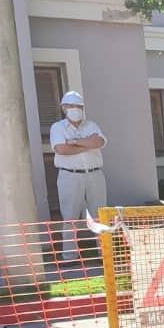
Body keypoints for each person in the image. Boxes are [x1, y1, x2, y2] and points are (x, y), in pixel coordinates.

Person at [50, 90, 108, 264]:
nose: (75, 109)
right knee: (70, 216)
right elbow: (61, 149)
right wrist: (86, 144)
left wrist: (73, 141)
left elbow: (99, 142)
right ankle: (70, 257)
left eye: (79, 106)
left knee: (100, 215)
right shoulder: (57, 127)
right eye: (71, 106)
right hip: (69, 176)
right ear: (64, 108)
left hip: (95, 174)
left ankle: (103, 254)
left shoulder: (92, 125)